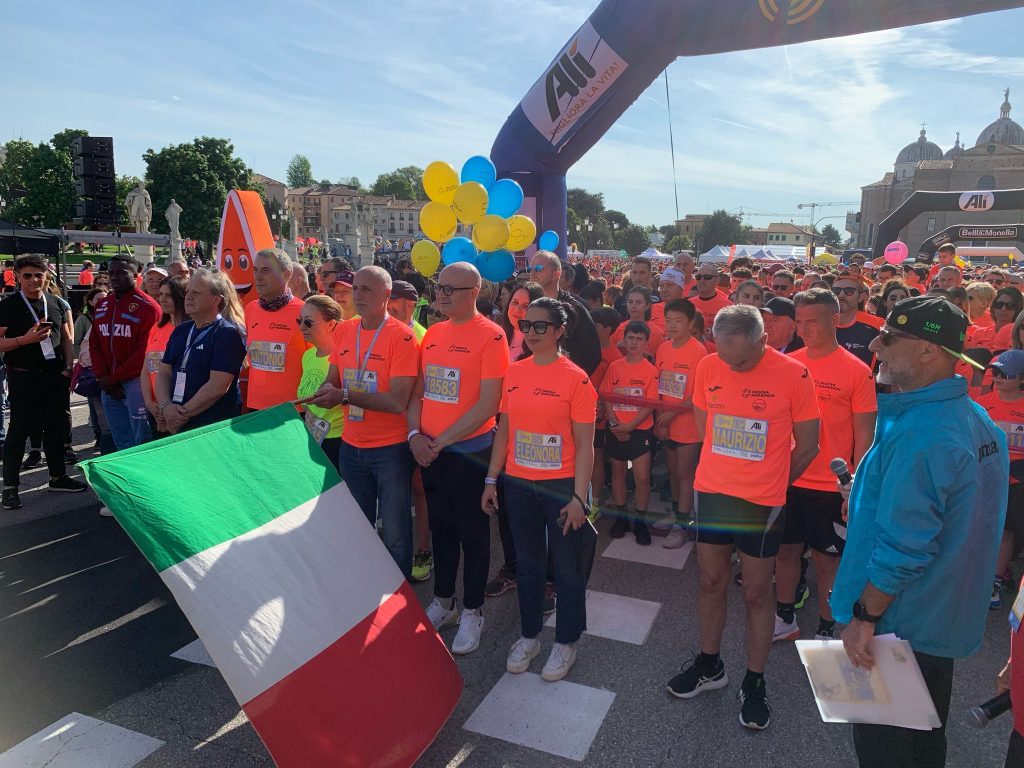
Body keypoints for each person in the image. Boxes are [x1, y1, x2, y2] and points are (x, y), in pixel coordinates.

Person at [832, 296, 1006, 767]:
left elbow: (905, 548)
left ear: (929, 350)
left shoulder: (925, 432)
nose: (875, 346)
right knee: (924, 744)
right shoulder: (974, 417)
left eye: (888, 337)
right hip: (938, 619)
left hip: (901, 626)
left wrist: (865, 618)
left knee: (886, 753)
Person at [667, 305, 819, 732]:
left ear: (763, 340)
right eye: (726, 356)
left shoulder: (794, 374)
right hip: (713, 493)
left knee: (755, 592)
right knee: (710, 581)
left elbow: (809, 444)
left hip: (762, 502)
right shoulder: (708, 365)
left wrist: (774, 483)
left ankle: (754, 681)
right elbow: (707, 429)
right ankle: (710, 665)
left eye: (743, 359)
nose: (733, 366)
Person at [482, 297, 596, 682]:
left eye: (540, 326)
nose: (530, 332)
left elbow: (586, 446)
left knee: (566, 568)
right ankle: (529, 635)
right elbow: (504, 431)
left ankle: (566, 641)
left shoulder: (576, 379)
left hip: (561, 487)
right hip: (518, 484)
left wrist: (579, 497)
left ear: (560, 330)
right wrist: (491, 479)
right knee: (528, 564)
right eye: (525, 325)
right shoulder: (514, 372)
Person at [406, 262, 508, 653]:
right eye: (439, 286)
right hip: (432, 452)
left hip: (469, 453)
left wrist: (440, 441)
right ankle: (444, 601)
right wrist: (415, 435)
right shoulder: (433, 333)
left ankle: (472, 610)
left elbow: (488, 404)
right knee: (442, 529)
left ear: (474, 292)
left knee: (473, 535)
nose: (441, 294)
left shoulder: (492, 336)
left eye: (451, 289)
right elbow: (420, 391)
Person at [774, 289, 876, 642]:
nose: (803, 329)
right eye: (799, 322)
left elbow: (865, 435)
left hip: (831, 486)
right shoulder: (787, 363)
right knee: (786, 551)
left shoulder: (857, 371)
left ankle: (827, 629)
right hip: (789, 477)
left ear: (834, 320)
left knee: (827, 560)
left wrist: (855, 487)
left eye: (811, 321)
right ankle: (784, 618)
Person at [308, 266, 419, 579]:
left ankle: (398, 595)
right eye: (355, 288)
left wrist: (344, 395)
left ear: (386, 295)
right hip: (351, 446)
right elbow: (333, 377)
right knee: (358, 528)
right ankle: (362, 588)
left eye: (366, 289)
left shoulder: (403, 337)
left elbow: (397, 401)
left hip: (391, 450)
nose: (358, 295)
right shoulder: (344, 330)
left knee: (395, 533)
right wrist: (325, 391)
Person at [0, 255, 87, 509]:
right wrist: (23, 340)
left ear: (46, 276)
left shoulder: (55, 302)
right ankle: (10, 488)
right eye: (27, 275)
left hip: (54, 376)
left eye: (38, 275)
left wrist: (68, 367)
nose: (33, 280)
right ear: (17, 277)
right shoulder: (9, 305)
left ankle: (58, 477)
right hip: (23, 375)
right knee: (19, 430)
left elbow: (67, 337)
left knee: (55, 427)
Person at [155, 269, 247, 434]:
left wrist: (180, 415)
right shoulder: (181, 330)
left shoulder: (226, 334)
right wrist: (166, 407)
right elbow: (164, 372)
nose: (188, 297)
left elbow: (217, 386)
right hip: (177, 418)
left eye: (196, 293)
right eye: (187, 292)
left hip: (211, 425)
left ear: (216, 300)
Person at [90, 255, 161, 452]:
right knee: (121, 441)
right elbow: (95, 344)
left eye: (121, 273)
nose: (114, 277)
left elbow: (145, 350)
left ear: (136, 274)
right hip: (108, 384)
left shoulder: (148, 307)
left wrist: (114, 378)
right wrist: (103, 376)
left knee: (142, 440)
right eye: (111, 273)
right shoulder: (103, 305)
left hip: (136, 382)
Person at [653, 299, 706, 549]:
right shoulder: (663, 348)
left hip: (688, 426)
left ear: (691, 323)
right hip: (666, 422)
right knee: (673, 472)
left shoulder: (698, 351)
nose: (672, 325)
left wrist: (670, 415)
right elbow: (659, 387)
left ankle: (682, 526)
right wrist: (661, 420)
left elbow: (696, 395)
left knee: (685, 474)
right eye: (669, 320)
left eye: (679, 321)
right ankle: (677, 514)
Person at [973, 350, 1024, 609]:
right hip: (985, 475)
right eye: (995, 371)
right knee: (978, 527)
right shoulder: (981, 404)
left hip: (1016, 479)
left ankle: (995, 580)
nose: (998, 377)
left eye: (1006, 373)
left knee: (1006, 532)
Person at [601, 321, 659, 545]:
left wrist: (630, 426)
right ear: (624, 340)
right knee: (618, 474)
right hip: (616, 429)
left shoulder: (651, 371)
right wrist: (615, 424)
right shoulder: (615, 366)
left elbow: (649, 405)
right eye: (631, 338)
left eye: (639, 339)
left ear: (646, 343)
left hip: (639, 430)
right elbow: (607, 396)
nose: (634, 343)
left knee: (642, 478)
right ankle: (621, 518)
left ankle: (640, 522)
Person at [244, 248, 307, 411]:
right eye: (255, 270)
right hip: (256, 406)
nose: (258, 277)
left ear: (286, 275)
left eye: (266, 270)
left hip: (292, 409)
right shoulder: (250, 309)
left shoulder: (305, 312)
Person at [528, 251, 601, 375]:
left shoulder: (574, 309)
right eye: (530, 269)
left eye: (539, 269)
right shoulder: (527, 304)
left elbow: (592, 354)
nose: (532, 274)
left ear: (556, 274)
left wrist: (569, 379)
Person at [295, 295, 344, 470]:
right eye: (299, 321)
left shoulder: (344, 357)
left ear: (330, 324)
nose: (301, 327)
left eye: (308, 322)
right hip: (313, 437)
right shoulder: (308, 356)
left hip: (338, 441)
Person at [142, 276, 187, 436]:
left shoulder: (190, 330)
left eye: (168, 295)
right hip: (156, 409)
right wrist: (149, 403)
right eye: (161, 294)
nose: (162, 299)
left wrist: (168, 408)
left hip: (180, 409)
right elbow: (146, 370)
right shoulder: (157, 328)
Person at [833, 275, 879, 366]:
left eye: (849, 291)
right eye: (836, 291)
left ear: (861, 297)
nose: (841, 295)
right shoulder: (819, 323)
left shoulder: (877, 325)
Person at [612, 286, 664, 356]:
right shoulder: (617, 329)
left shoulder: (657, 333)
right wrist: (617, 349)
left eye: (638, 302)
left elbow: (661, 360)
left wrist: (642, 354)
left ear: (647, 305)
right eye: (630, 302)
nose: (633, 306)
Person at [974, 287, 1023, 353]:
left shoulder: (1020, 335)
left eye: (1010, 305)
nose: (1003, 308)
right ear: (993, 307)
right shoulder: (979, 333)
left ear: (1017, 308)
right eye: (999, 304)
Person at [690, 263, 732, 333]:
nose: (702, 280)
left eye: (707, 277)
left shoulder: (728, 307)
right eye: (698, 277)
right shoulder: (689, 304)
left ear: (717, 280)